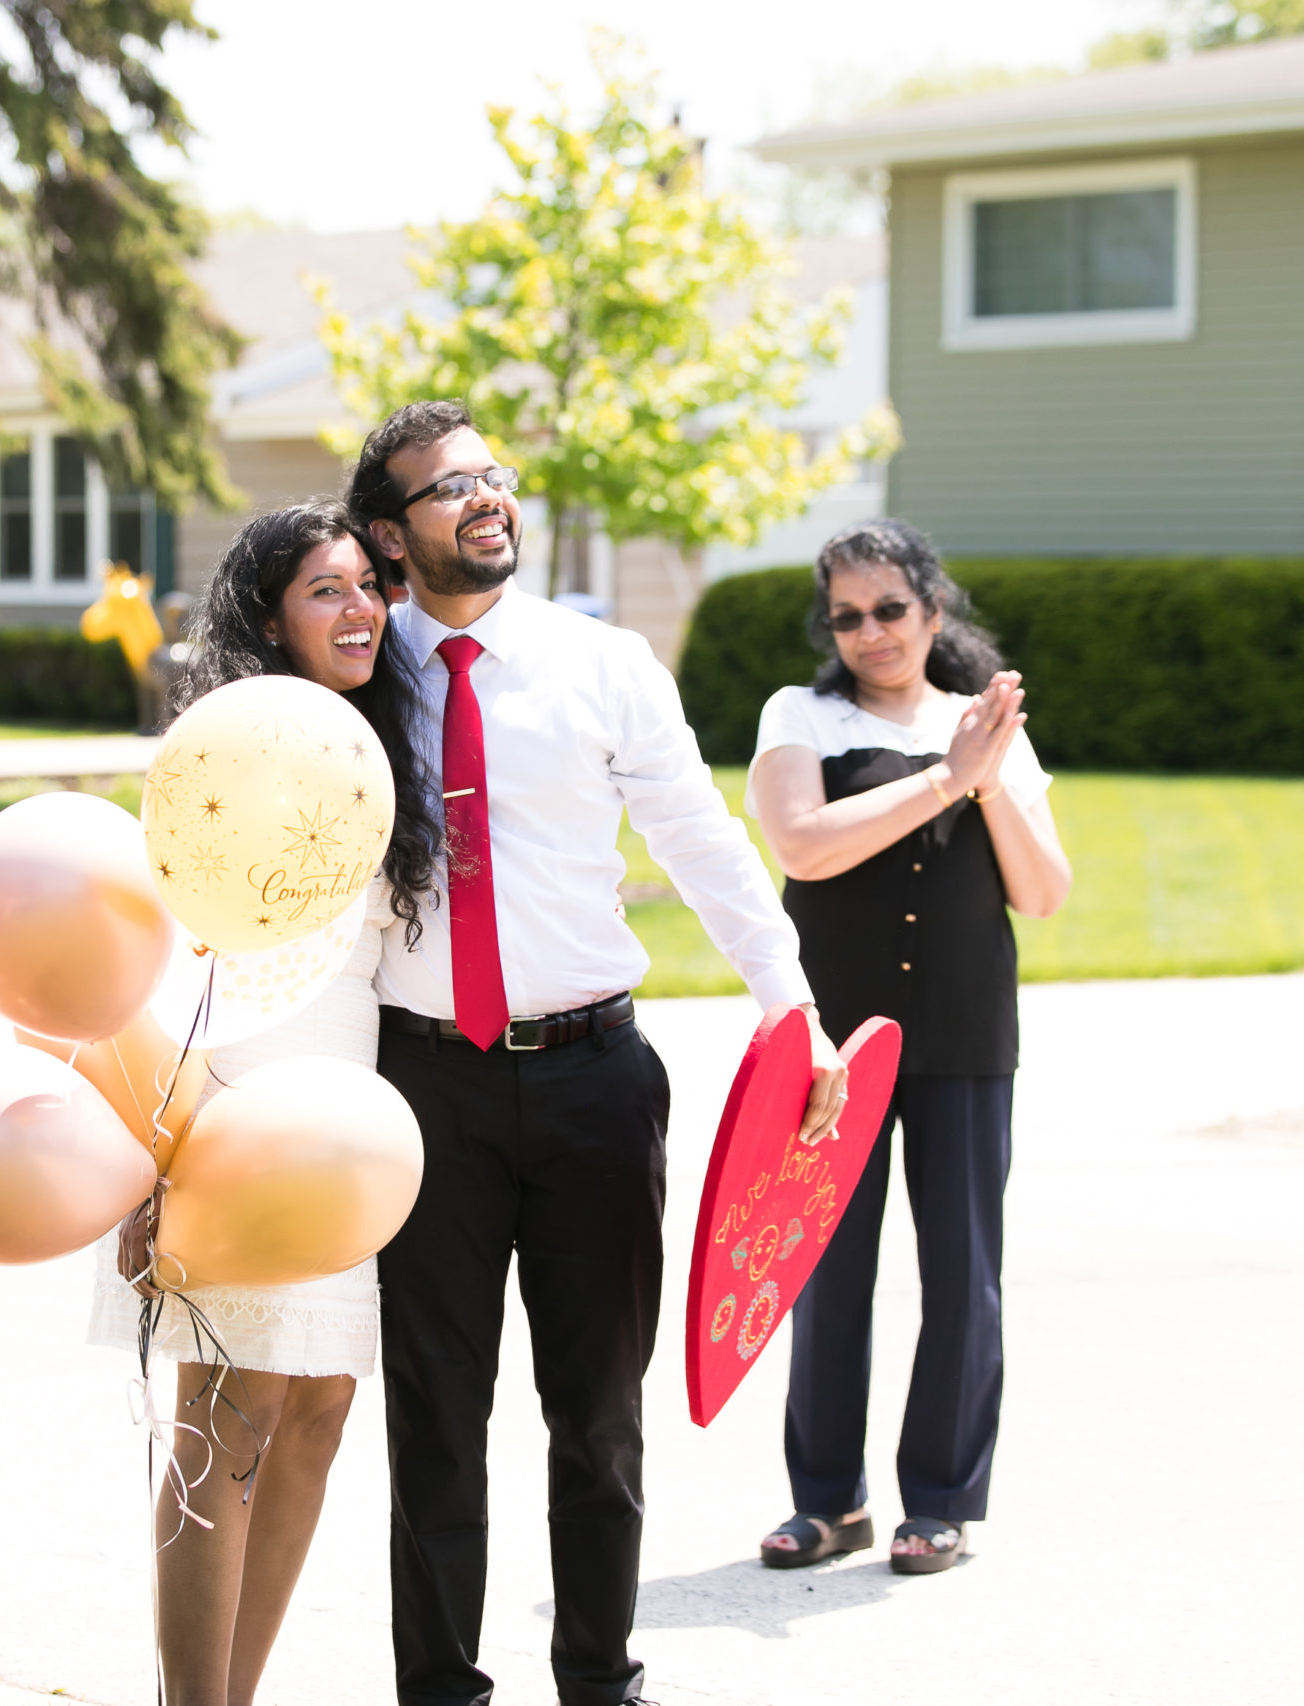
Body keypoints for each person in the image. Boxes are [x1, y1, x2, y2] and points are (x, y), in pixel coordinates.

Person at [347, 400, 847, 1706]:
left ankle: (598, 1680)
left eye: (488, 474)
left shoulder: (605, 661)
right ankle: (440, 1688)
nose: (484, 498)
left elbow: (702, 839)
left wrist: (790, 1008)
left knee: (598, 1415)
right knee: (438, 1416)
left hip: (593, 1082)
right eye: (447, 488)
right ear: (391, 537)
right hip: (424, 1090)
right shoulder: (353, 679)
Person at [84, 501, 444, 1706]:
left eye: (366, 588)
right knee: (225, 1422)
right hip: (229, 1110)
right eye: (324, 590)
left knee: (319, 1412)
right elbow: (154, 974)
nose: (358, 609)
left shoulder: (376, 746)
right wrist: (155, 1161)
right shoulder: (223, 753)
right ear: (268, 615)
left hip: (344, 1121)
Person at [746, 520, 1072, 1577]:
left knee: (963, 1273)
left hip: (967, 1029)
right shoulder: (801, 715)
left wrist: (982, 773)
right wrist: (943, 777)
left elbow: (1043, 890)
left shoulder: (984, 727)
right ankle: (827, 1500)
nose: (871, 631)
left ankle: (940, 1500)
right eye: (847, 615)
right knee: (825, 1269)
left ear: (932, 610)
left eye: (890, 608)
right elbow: (801, 842)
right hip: (838, 1039)